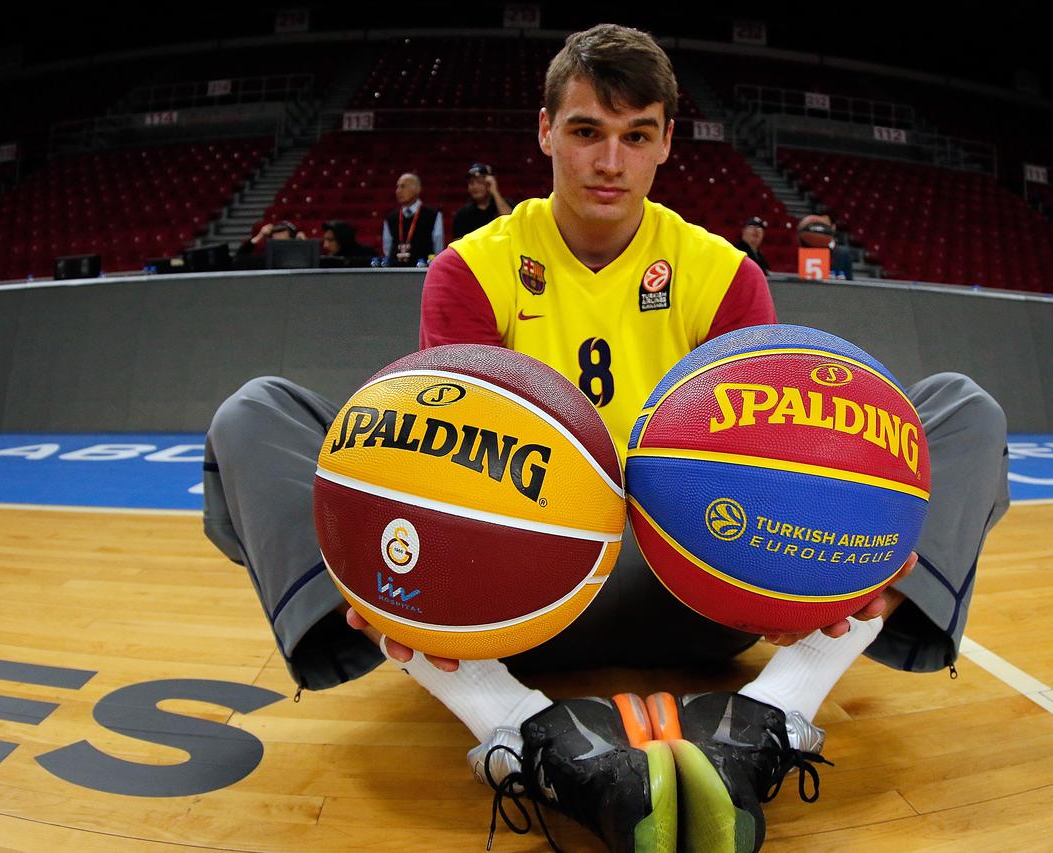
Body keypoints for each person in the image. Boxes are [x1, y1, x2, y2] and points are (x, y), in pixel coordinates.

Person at [203, 24, 1008, 853]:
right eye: (587, 131)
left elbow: (774, 472)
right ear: (547, 131)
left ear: (666, 144)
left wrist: (848, 541)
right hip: (517, 591)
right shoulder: (472, 268)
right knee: (254, 415)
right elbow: (434, 468)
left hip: (699, 581)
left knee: (960, 409)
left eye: (636, 136)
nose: (610, 162)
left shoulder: (724, 273)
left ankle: (775, 710)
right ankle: (514, 723)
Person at [381, 172, 443, 266]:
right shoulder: (390, 218)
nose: (398, 191)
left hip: (423, 271)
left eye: (403, 186)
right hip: (395, 271)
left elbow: (438, 247)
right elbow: (387, 248)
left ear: (417, 189)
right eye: (397, 187)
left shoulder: (433, 215)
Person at [452, 162, 514, 240]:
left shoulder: (505, 203)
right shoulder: (462, 214)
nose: (475, 187)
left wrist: (494, 191)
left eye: (479, 182)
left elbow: (511, 223)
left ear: (489, 184)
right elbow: (457, 244)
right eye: (471, 183)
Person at [237, 220, 304, 257]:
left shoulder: (297, 257)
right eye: (275, 232)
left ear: (291, 236)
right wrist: (259, 236)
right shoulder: (268, 256)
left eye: (281, 232)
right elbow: (241, 255)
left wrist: (304, 242)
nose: (277, 235)